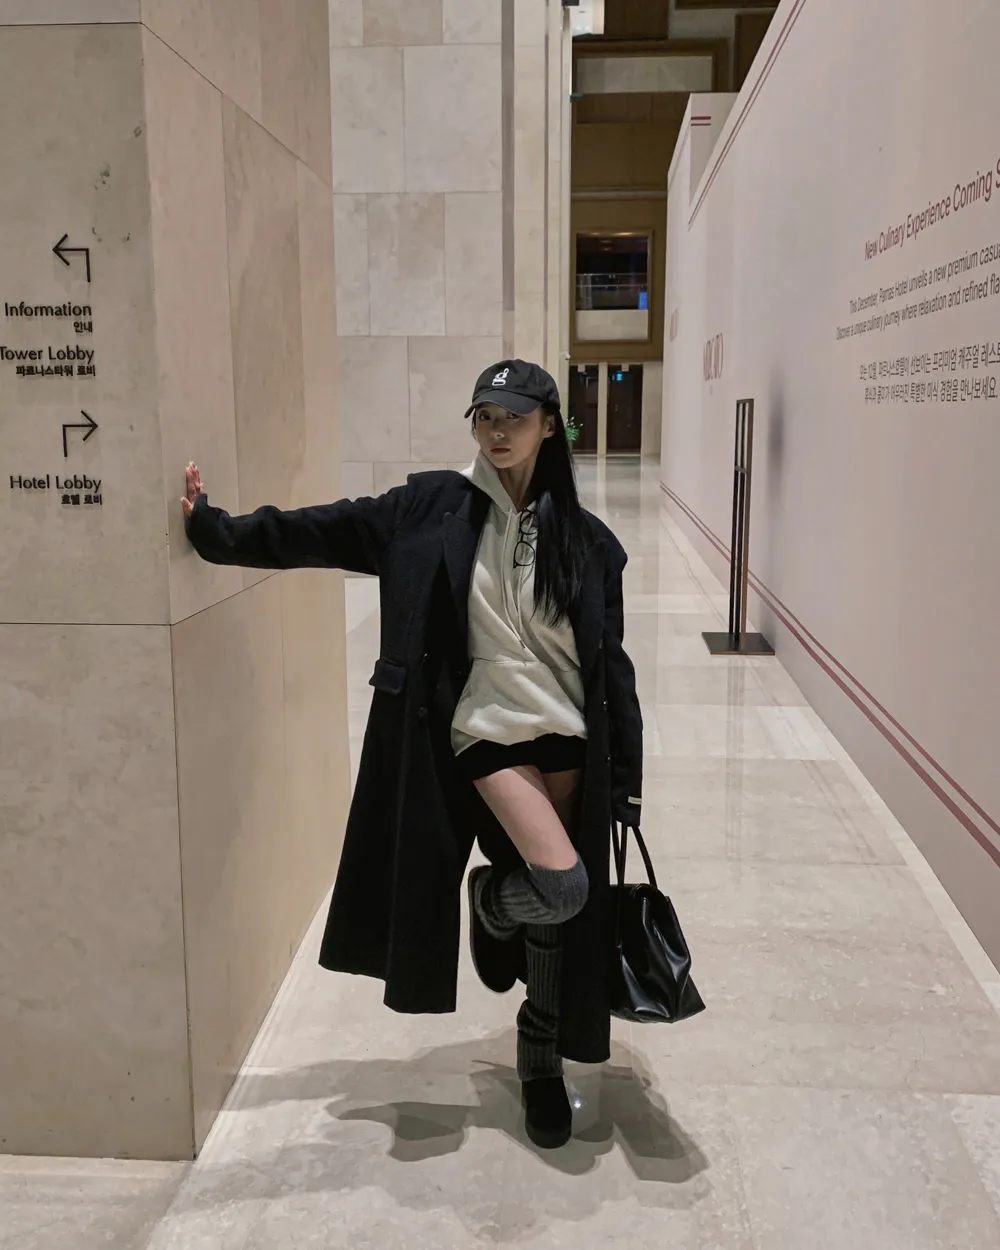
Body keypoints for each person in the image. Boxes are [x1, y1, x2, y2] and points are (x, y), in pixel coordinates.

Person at [182, 360, 642, 1149]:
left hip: (569, 736)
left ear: (548, 425)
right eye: (485, 416)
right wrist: (214, 529)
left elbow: (612, 667)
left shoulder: (590, 543)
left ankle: (539, 1057)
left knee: (557, 907)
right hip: (486, 729)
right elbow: (321, 530)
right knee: (562, 887)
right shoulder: (428, 510)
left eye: (515, 417)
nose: (497, 431)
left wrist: (626, 779)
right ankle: (491, 904)